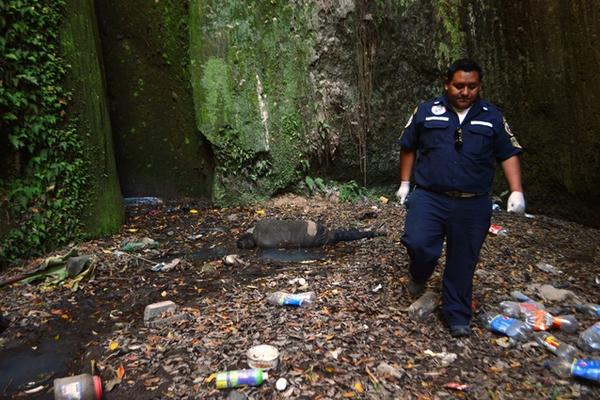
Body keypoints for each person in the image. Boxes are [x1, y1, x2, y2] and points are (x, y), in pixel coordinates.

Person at [396, 59, 525, 338]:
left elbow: (508, 152)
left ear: (479, 86)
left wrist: (516, 191)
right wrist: (405, 183)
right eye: (459, 86)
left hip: (473, 202)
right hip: (429, 196)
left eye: (471, 86)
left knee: (463, 259)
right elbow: (408, 146)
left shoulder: (492, 116)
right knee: (418, 243)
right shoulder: (426, 111)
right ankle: (420, 272)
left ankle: (456, 313)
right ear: (447, 84)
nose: (464, 92)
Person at [237, 218, 383, 249]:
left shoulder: (264, 244)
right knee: (338, 234)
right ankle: (370, 233)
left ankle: (370, 233)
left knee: (338, 236)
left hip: (310, 237)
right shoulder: (261, 224)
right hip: (308, 225)